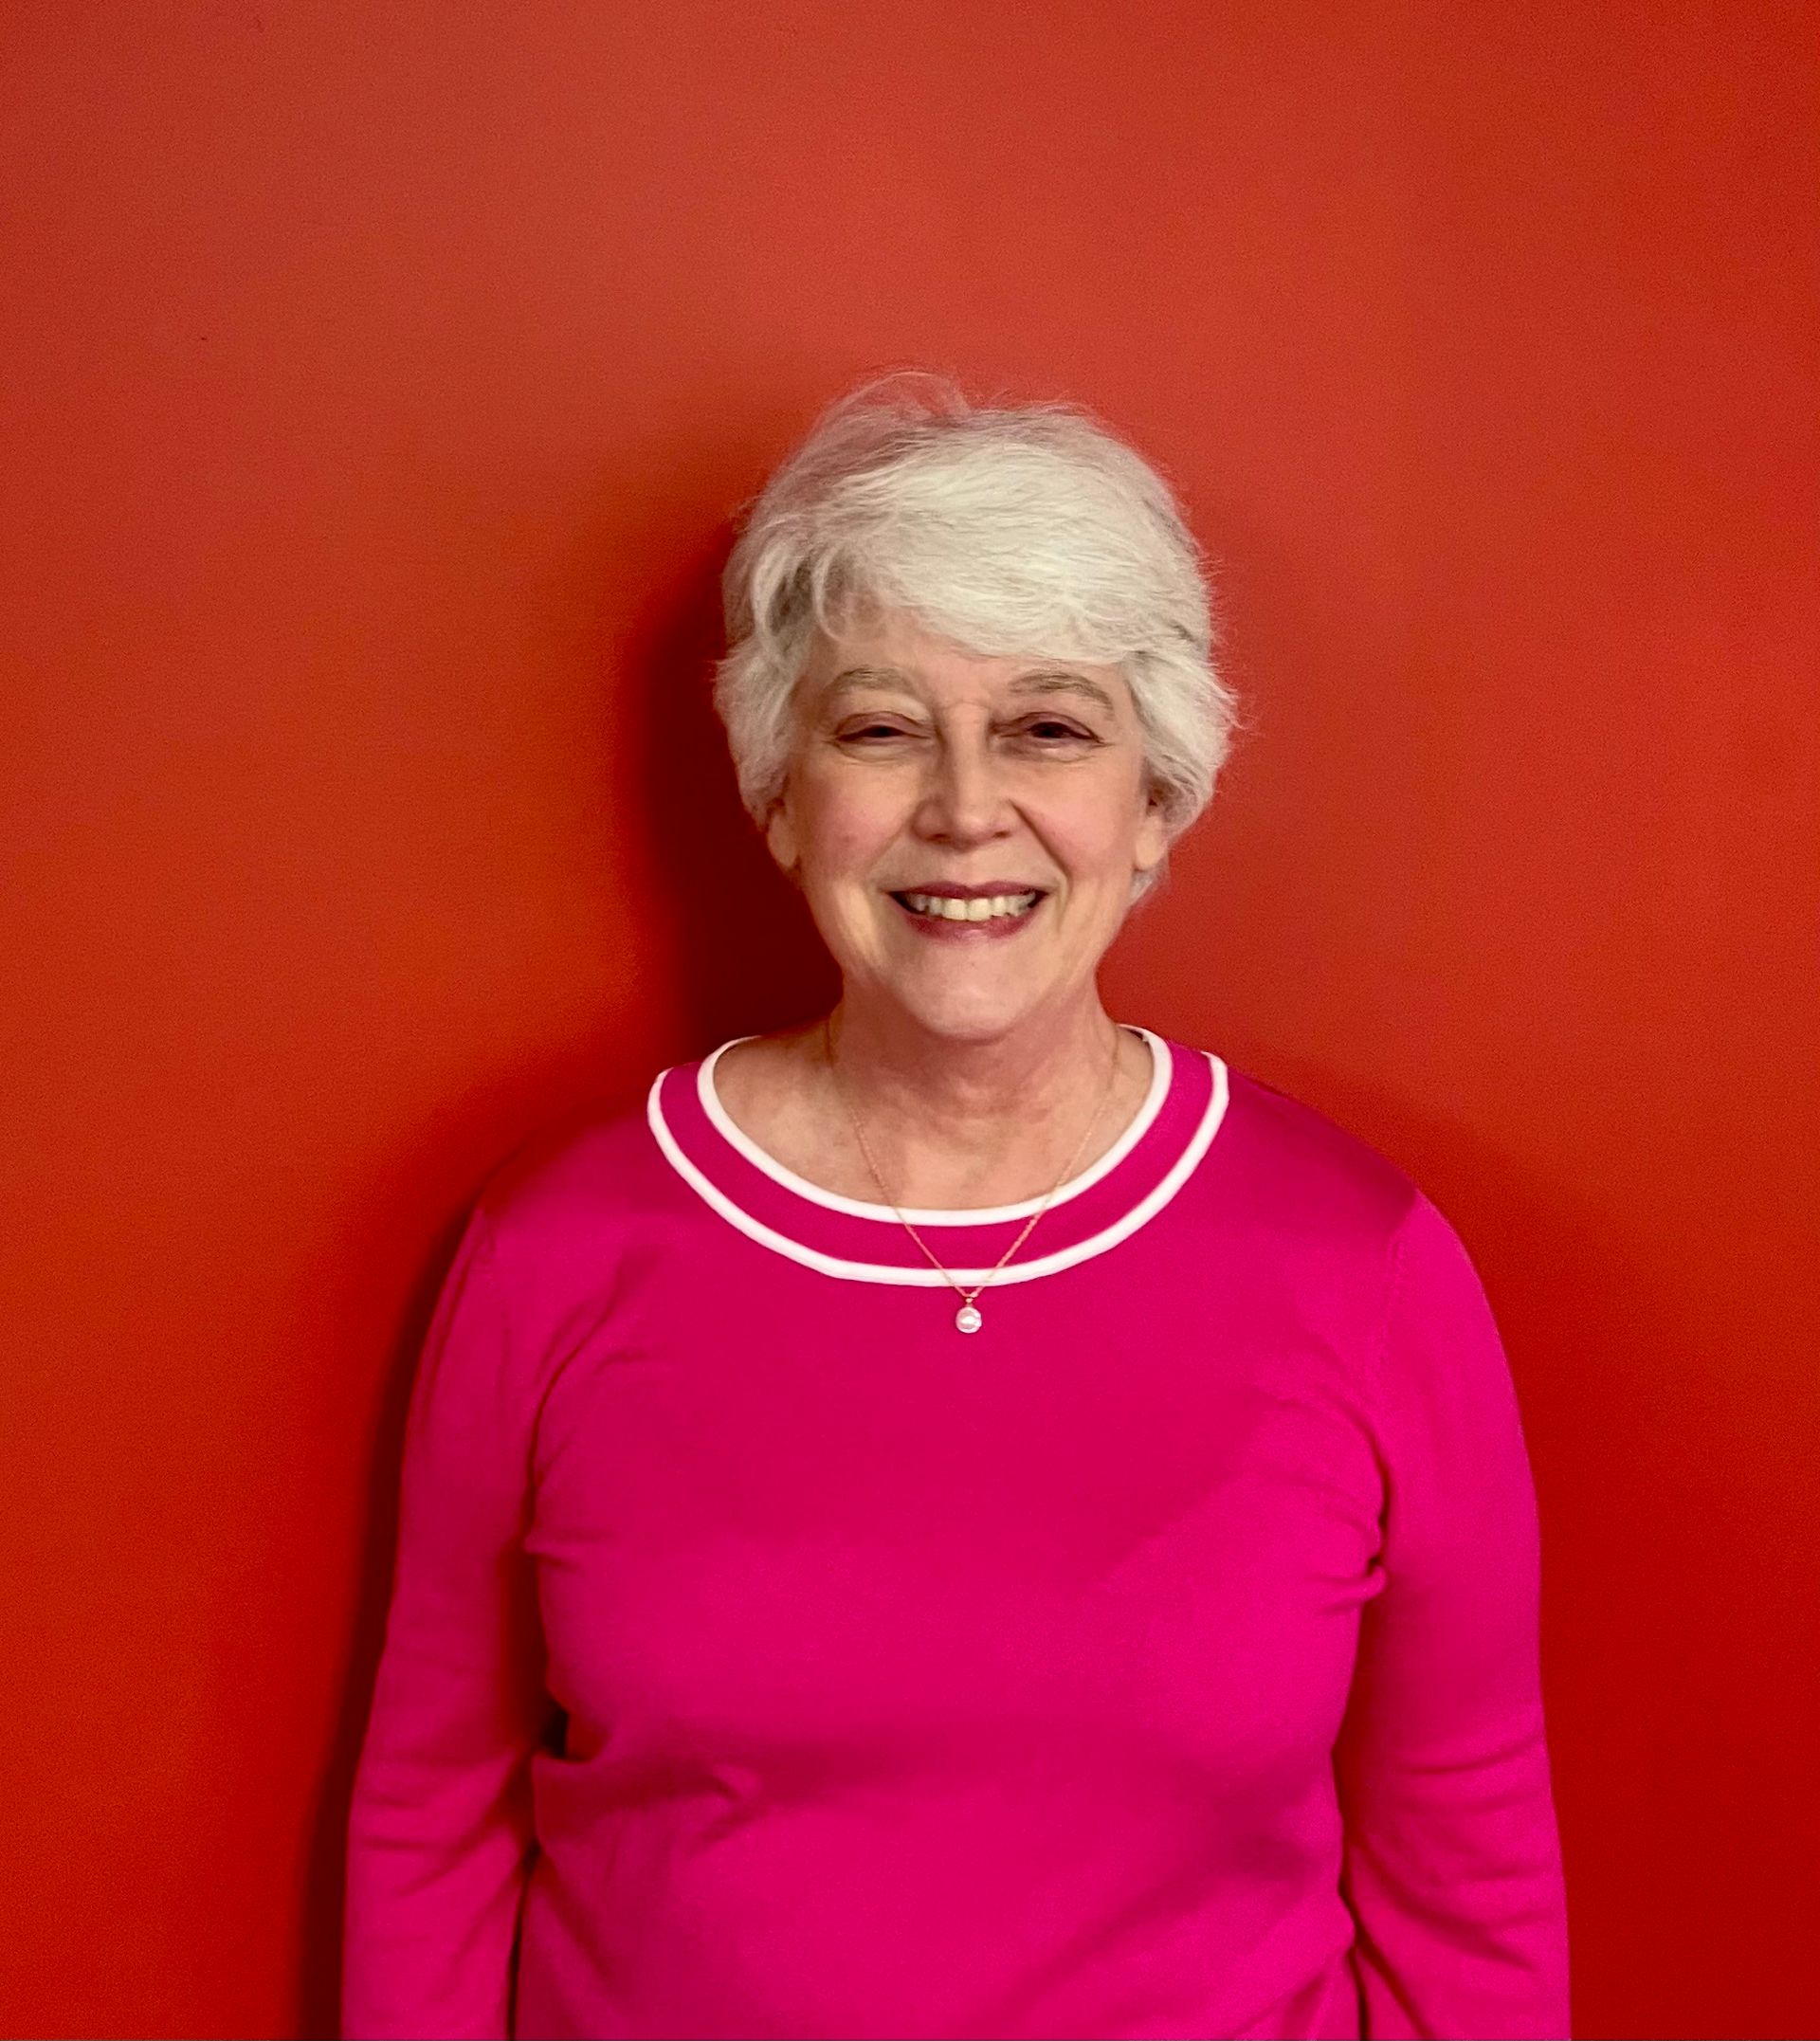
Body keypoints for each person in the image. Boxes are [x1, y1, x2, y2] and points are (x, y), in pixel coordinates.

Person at [340, 374, 1572, 2041]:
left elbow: (1468, 1876)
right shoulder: (555, 1251)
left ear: (1156, 803)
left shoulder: (1366, 1267)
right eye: (880, 726)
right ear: (781, 793)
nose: (966, 807)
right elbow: (431, 1816)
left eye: (1050, 727)